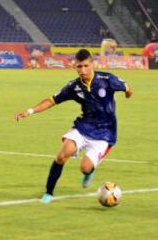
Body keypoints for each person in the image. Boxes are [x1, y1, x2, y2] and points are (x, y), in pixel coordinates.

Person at [15, 49, 133, 204]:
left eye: (85, 66)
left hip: (105, 133)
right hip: (84, 127)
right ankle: (48, 193)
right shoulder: (74, 86)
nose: (82, 70)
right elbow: (51, 100)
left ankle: (89, 172)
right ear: (74, 67)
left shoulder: (107, 79)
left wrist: (127, 93)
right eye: (79, 67)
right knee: (62, 155)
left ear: (92, 65)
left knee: (85, 168)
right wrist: (30, 111)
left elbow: (127, 88)